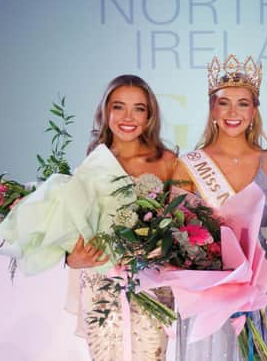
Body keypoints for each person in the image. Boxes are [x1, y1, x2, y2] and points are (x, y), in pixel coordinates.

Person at [171, 54, 267, 360]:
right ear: (212, 109)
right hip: (207, 291)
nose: (233, 112)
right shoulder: (189, 165)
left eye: (243, 103)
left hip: (258, 288)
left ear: (254, 111)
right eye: (224, 102)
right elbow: (176, 230)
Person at [65, 74, 177, 361]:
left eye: (138, 108)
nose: (128, 117)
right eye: (118, 106)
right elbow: (73, 227)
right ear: (105, 112)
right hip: (101, 282)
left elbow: (182, 225)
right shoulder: (92, 162)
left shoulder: (167, 162)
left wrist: (155, 248)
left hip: (150, 283)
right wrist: (70, 258)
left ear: (149, 115)